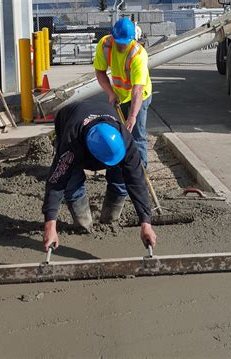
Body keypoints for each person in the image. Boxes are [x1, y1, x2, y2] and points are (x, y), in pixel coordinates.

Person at [42, 101, 156, 252]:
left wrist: (145, 222)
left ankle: (110, 219)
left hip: (102, 116)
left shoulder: (125, 140)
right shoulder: (71, 144)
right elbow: (56, 182)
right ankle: (83, 223)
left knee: (121, 176)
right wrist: (50, 225)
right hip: (69, 119)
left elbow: (136, 181)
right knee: (71, 180)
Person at [94, 18, 152, 214]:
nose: (121, 46)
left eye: (124, 43)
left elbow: (137, 89)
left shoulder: (138, 55)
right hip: (119, 95)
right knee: (120, 136)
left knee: (137, 137)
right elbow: (100, 72)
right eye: (119, 42)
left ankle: (139, 179)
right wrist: (111, 93)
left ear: (131, 40)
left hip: (139, 98)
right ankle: (119, 175)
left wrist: (133, 116)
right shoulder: (105, 45)